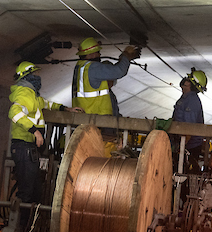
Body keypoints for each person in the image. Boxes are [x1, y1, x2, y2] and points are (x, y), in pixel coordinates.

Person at [8, 61, 83, 212]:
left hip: (28, 148)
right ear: (28, 76)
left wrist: (65, 108)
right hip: (24, 147)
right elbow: (14, 112)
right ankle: (21, 227)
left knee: (34, 189)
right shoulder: (24, 93)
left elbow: (46, 104)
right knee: (27, 191)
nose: (38, 77)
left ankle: (28, 225)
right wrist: (35, 131)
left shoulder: (33, 95)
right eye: (35, 74)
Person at [72, 37, 140, 116]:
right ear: (92, 54)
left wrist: (123, 59)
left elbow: (112, 71)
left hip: (84, 116)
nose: (100, 54)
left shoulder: (80, 67)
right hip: (96, 117)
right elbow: (119, 71)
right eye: (98, 52)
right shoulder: (93, 67)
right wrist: (126, 55)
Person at [172, 68, 207, 173]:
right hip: (184, 145)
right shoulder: (185, 98)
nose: (184, 81)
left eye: (188, 79)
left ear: (191, 84)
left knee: (183, 175)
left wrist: (181, 147)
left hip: (189, 147)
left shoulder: (192, 101)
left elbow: (188, 128)